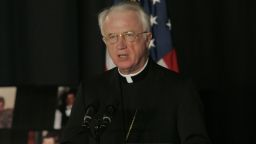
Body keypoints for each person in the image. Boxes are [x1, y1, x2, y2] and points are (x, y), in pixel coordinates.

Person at [61, 1, 211, 144]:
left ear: (147, 39)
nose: (120, 45)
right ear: (104, 41)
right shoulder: (91, 90)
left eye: (129, 35)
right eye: (112, 36)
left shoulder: (179, 89)